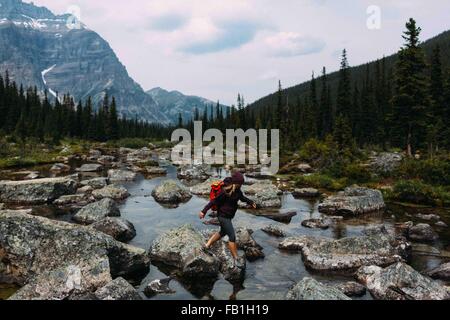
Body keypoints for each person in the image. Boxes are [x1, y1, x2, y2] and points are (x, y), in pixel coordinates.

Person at [199, 171, 257, 268]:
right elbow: (213, 201)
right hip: (223, 216)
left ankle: (206, 246)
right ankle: (236, 258)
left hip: (228, 216)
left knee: (222, 232)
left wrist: (251, 202)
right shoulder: (224, 192)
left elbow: (242, 198)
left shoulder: (238, 191)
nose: (241, 185)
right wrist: (203, 211)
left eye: (242, 184)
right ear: (235, 182)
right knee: (232, 236)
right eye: (240, 183)